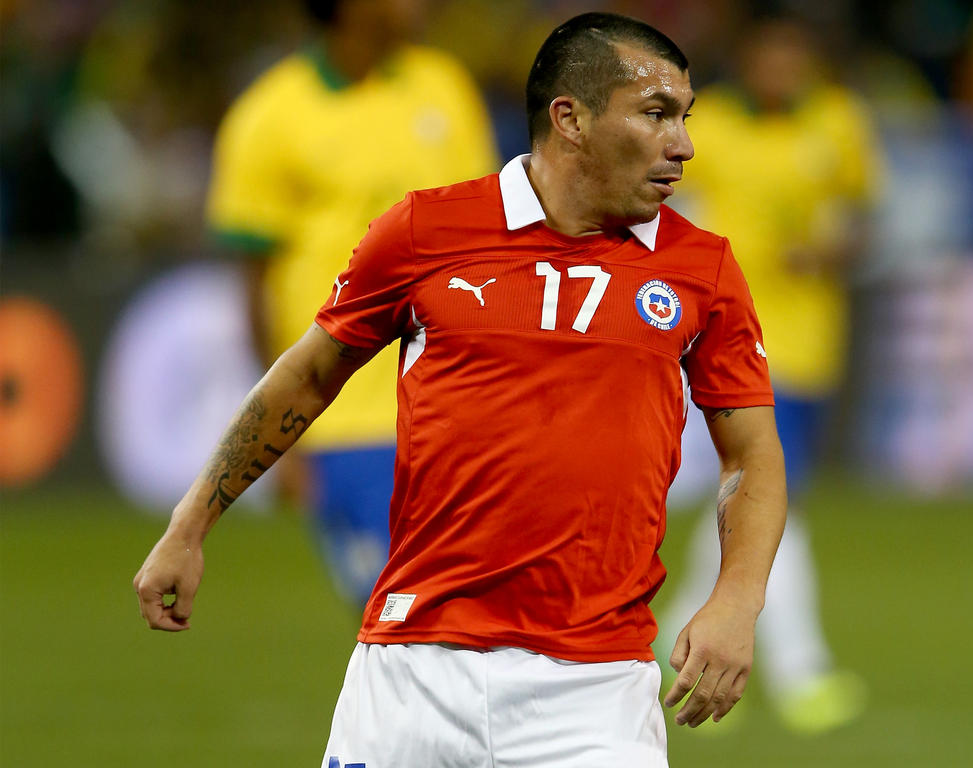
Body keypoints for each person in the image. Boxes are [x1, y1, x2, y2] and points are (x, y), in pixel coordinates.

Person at [135, 12, 786, 766]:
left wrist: (737, 603)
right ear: (568, 119)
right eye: (655, 114)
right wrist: (191, 524)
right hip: (409, 676)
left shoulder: (700, 268)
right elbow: (309, 375)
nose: (684, 144)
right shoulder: (423, 232)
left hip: (595, 690)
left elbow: (751, 453)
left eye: (685, 116)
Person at [205, 0, 498, 601]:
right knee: (401, 626)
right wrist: (278, 437)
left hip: (460, 402)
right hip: (347, 420)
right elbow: (254, 285)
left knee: (482, 621)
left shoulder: (443, 86)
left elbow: (491, 238)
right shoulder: (269, 116)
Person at [658, 16, 881, 733]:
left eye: (795, 56)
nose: (782, 68)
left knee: (746, 497)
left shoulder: (838, 122)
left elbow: (861, 219)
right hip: (720, 340)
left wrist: (832, 252)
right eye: (770, 55)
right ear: (748, 60)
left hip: (809, 343)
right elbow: (671, 211)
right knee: (763, 499)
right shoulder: (710, 126)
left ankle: (670, 640)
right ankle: (801, 670)